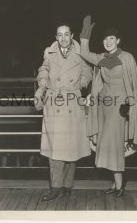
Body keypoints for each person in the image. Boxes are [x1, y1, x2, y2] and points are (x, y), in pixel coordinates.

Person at [79, 16, 137, 197]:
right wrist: (85, 34)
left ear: (118, 41)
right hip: (103, 107)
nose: (108, 41)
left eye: (112, 39)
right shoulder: (102, 58)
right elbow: (85, 54)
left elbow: (134, 84)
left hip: (119, 108)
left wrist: (129, 103)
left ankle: (120, 185)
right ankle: (116, 183)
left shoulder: (127, 58)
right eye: (105, 39)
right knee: (109, 145)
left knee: (113, 145)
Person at [35, 22, 92, 201]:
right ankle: (56, 187)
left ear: (72, 35)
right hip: (54, 103)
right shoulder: (50, 53)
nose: (63, 38)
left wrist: (84, 79)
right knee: (55, 150)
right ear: (56, 37)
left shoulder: (80, 53)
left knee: (71, 148)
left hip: (72, 102)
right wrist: (43, 79)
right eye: (59, 35)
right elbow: (43, 68)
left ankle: (67, 184)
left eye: (66, 34)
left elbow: (88, 70)